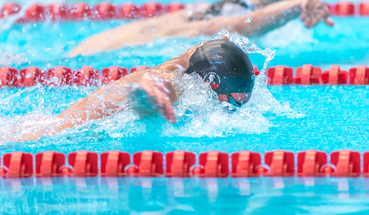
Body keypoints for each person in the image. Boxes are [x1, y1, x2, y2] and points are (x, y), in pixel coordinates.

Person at [17, 37, 272, 141]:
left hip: (38, 126)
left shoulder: (188, 67)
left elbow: (201, 49)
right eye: (232, 104)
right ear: (211, 83)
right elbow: (151, 82)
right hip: (38, 137)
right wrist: (149, 86)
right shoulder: (177, 86)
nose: (232, 110)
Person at [68, 0, 355, 56]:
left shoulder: (85, 53)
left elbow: (245, 24)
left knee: (241, 23)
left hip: (184, 27)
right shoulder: (86, 49)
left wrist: (300, 4)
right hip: (191, 14)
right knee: (253, 0)